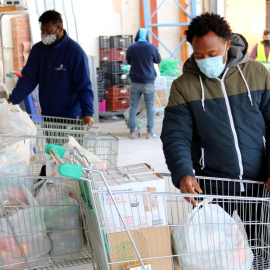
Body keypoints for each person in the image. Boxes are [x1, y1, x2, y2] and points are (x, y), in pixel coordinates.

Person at [161, 12, 270, 245]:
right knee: (212, 252)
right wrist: (183, 172)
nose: (206, 60)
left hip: (259, 184)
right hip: (212, 185)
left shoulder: (257, 74)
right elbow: (176, 135)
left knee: (262, 249)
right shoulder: (184, 86)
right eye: (199, 55)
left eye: (212, 54)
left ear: (227, 44)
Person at [8, 10, 94, 126]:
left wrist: (88, 113)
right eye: (42, 32)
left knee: (70, 145)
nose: (45, 35)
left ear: (60, 29)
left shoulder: (75, 52)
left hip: (71, 118)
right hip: (48, 117)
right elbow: (28, 79)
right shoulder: (38, 50)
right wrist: (12, 101)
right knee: (51, 145)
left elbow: (83, 85)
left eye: (49, 32)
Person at [126, 28, 161, 139]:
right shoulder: (152, 47)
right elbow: (157, 60)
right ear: (147, 37)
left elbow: (128, 61)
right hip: (148, 83)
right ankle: (150, 132)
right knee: (150, 107)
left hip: (135, 82)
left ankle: (132, 132)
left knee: (133, 106)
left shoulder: (131, 47)